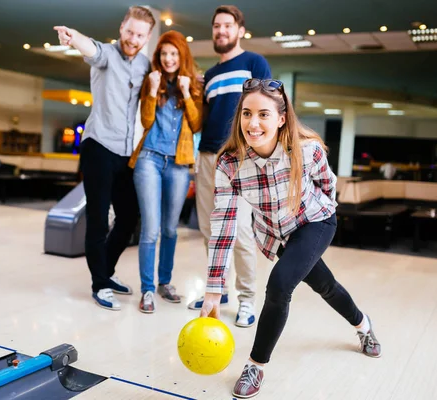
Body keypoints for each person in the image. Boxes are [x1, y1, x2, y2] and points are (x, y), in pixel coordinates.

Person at [199, 78, 381, 398]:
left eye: (264, 114)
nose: (253, 123)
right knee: (326, 285)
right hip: (276, 236)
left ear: (281, 118)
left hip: (316, 222)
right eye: (246, 113)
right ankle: (364, 325)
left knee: (280, 284)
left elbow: (327, 185)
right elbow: (223, 226)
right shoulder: (230, 164)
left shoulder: (306, 149)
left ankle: (256, 365)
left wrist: (320, 217)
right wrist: (213, 289)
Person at [53, 6, 155, 311]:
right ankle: (99, 284)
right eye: (129, 31)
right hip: (98, 147)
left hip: (125, 153)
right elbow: (91, 48)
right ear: (121, 28)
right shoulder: (107, 55)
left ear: (147, 37)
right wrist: (73, 38)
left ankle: (105, 273)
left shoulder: (146, 66)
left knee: (128, 216)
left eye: (139, 34)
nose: (132, 38)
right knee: (98, 219)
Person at [188, 5, 272, 328]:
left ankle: (247, 300)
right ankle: (217, 290)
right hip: (208, 157)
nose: (221, 31)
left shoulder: (254, 63)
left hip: (241, 158)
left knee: (239, 231)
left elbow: (265, 107)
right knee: (209, 231)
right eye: (216, 26)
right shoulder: (209, 75)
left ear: (240, 31)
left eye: (227, 26)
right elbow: (205, 119)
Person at [128, 30, 203, 313]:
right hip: (149, 159)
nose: (168, 58)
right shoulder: (153, 83)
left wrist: (185, 92)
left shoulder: (193, 86)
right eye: (163, 54)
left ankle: (165, 283)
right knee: (150, 229)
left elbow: (196, 125)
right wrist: (150, 90)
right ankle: (147, 289)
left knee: (170, 229)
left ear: (181, 56)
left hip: (179, 164)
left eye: (173, 53)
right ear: (158, 57)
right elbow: (146, 120)